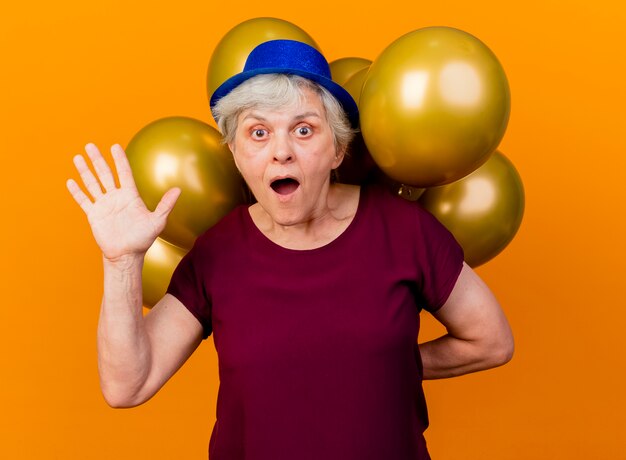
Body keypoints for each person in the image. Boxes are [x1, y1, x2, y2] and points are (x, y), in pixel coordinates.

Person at [66, 39, 513, 460]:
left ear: (337, 149)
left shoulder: (406, 231)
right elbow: (127, 386)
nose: (281, 152)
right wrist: (121, 262)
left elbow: (490, 341)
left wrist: (385, 363)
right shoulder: (216, 253)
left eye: (303, 129)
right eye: (258, 133)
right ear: (237, 155)